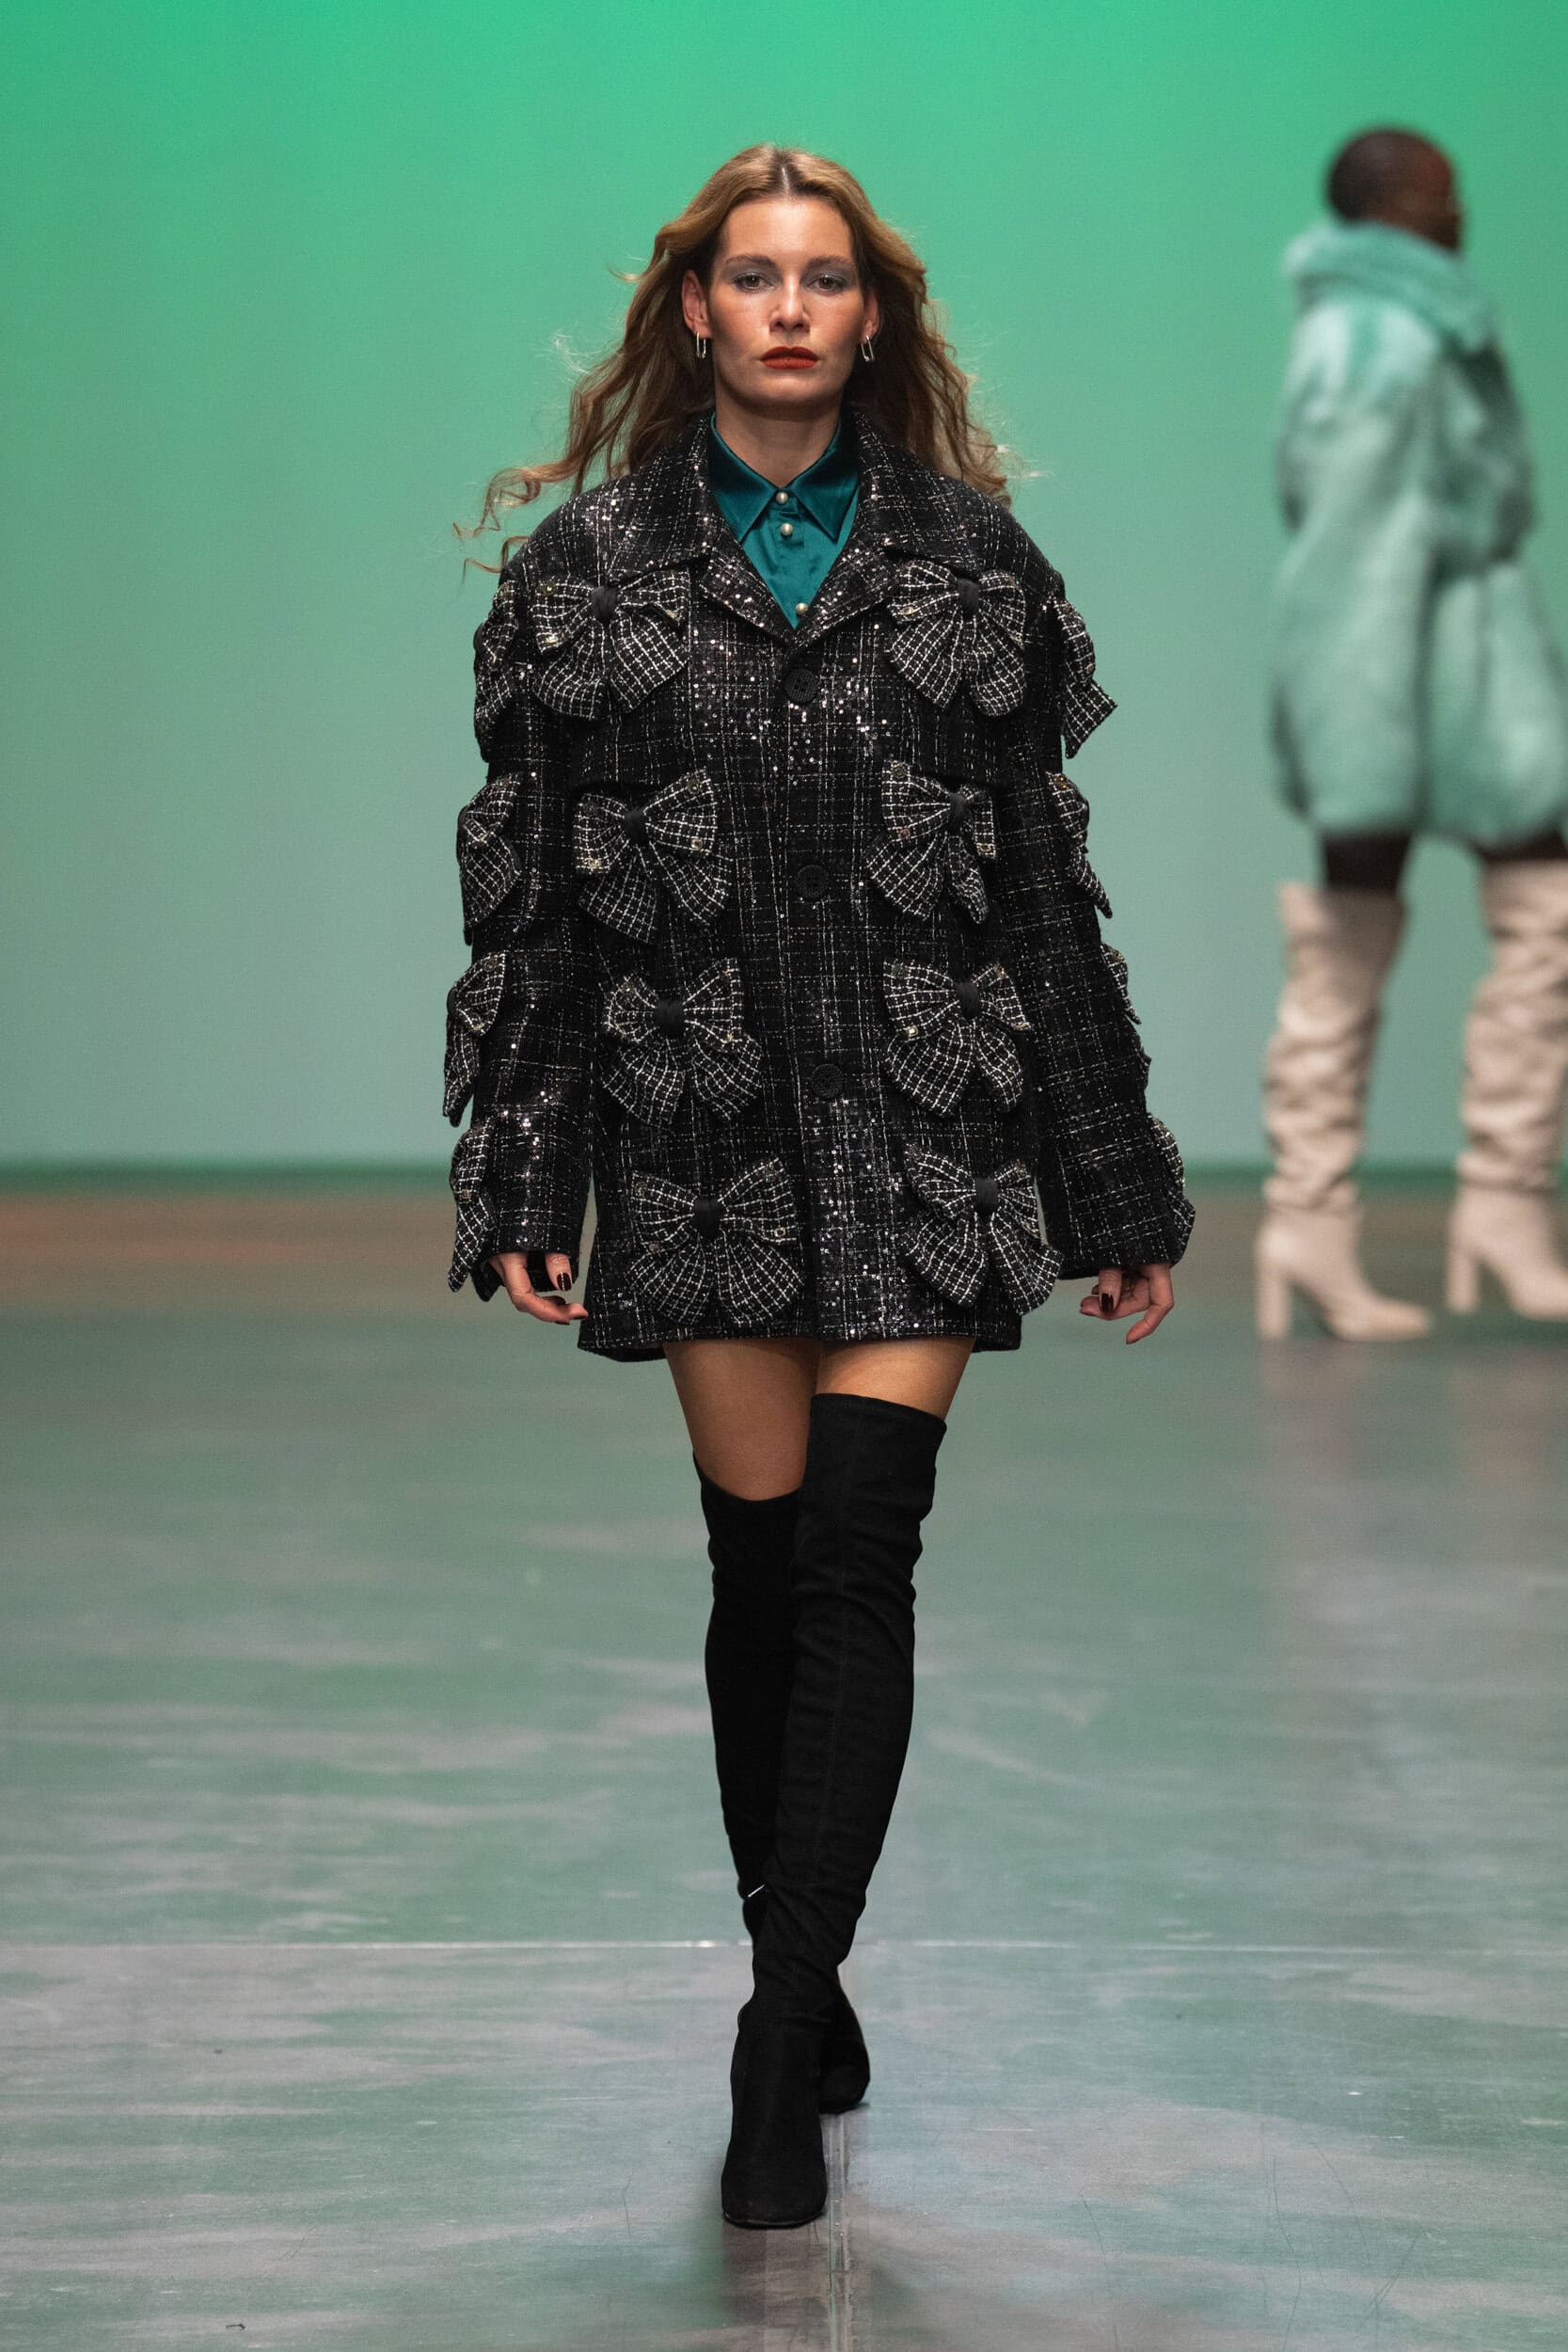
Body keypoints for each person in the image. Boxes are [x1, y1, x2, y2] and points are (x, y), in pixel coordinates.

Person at [446, 144, 1192, 2229]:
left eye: (826, 279)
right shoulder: (584, 575)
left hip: (923, 1121)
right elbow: (532, 906)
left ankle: (776, 2039)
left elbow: (1039, 894)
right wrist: (523, 1160)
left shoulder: (969, 567)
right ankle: (810, 1961)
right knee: (761, 1577)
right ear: (695, 309)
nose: (790, 308)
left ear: (873, 319)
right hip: (695, 1132)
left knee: (863, 1549)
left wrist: (1111, 1179)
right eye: (755, 276)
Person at [1260, 127, 1568, 1338]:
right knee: (1357, 922)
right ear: (1393, 208)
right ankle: (1313, 1219)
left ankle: (1496, 1204)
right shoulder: (1373, 336)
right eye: (1439, 196)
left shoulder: (1410, 324)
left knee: (1535, 908)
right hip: (1391, 669)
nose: (1456, 215)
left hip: (1462, 662)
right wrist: (1356, 732)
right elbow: (1347, 552)